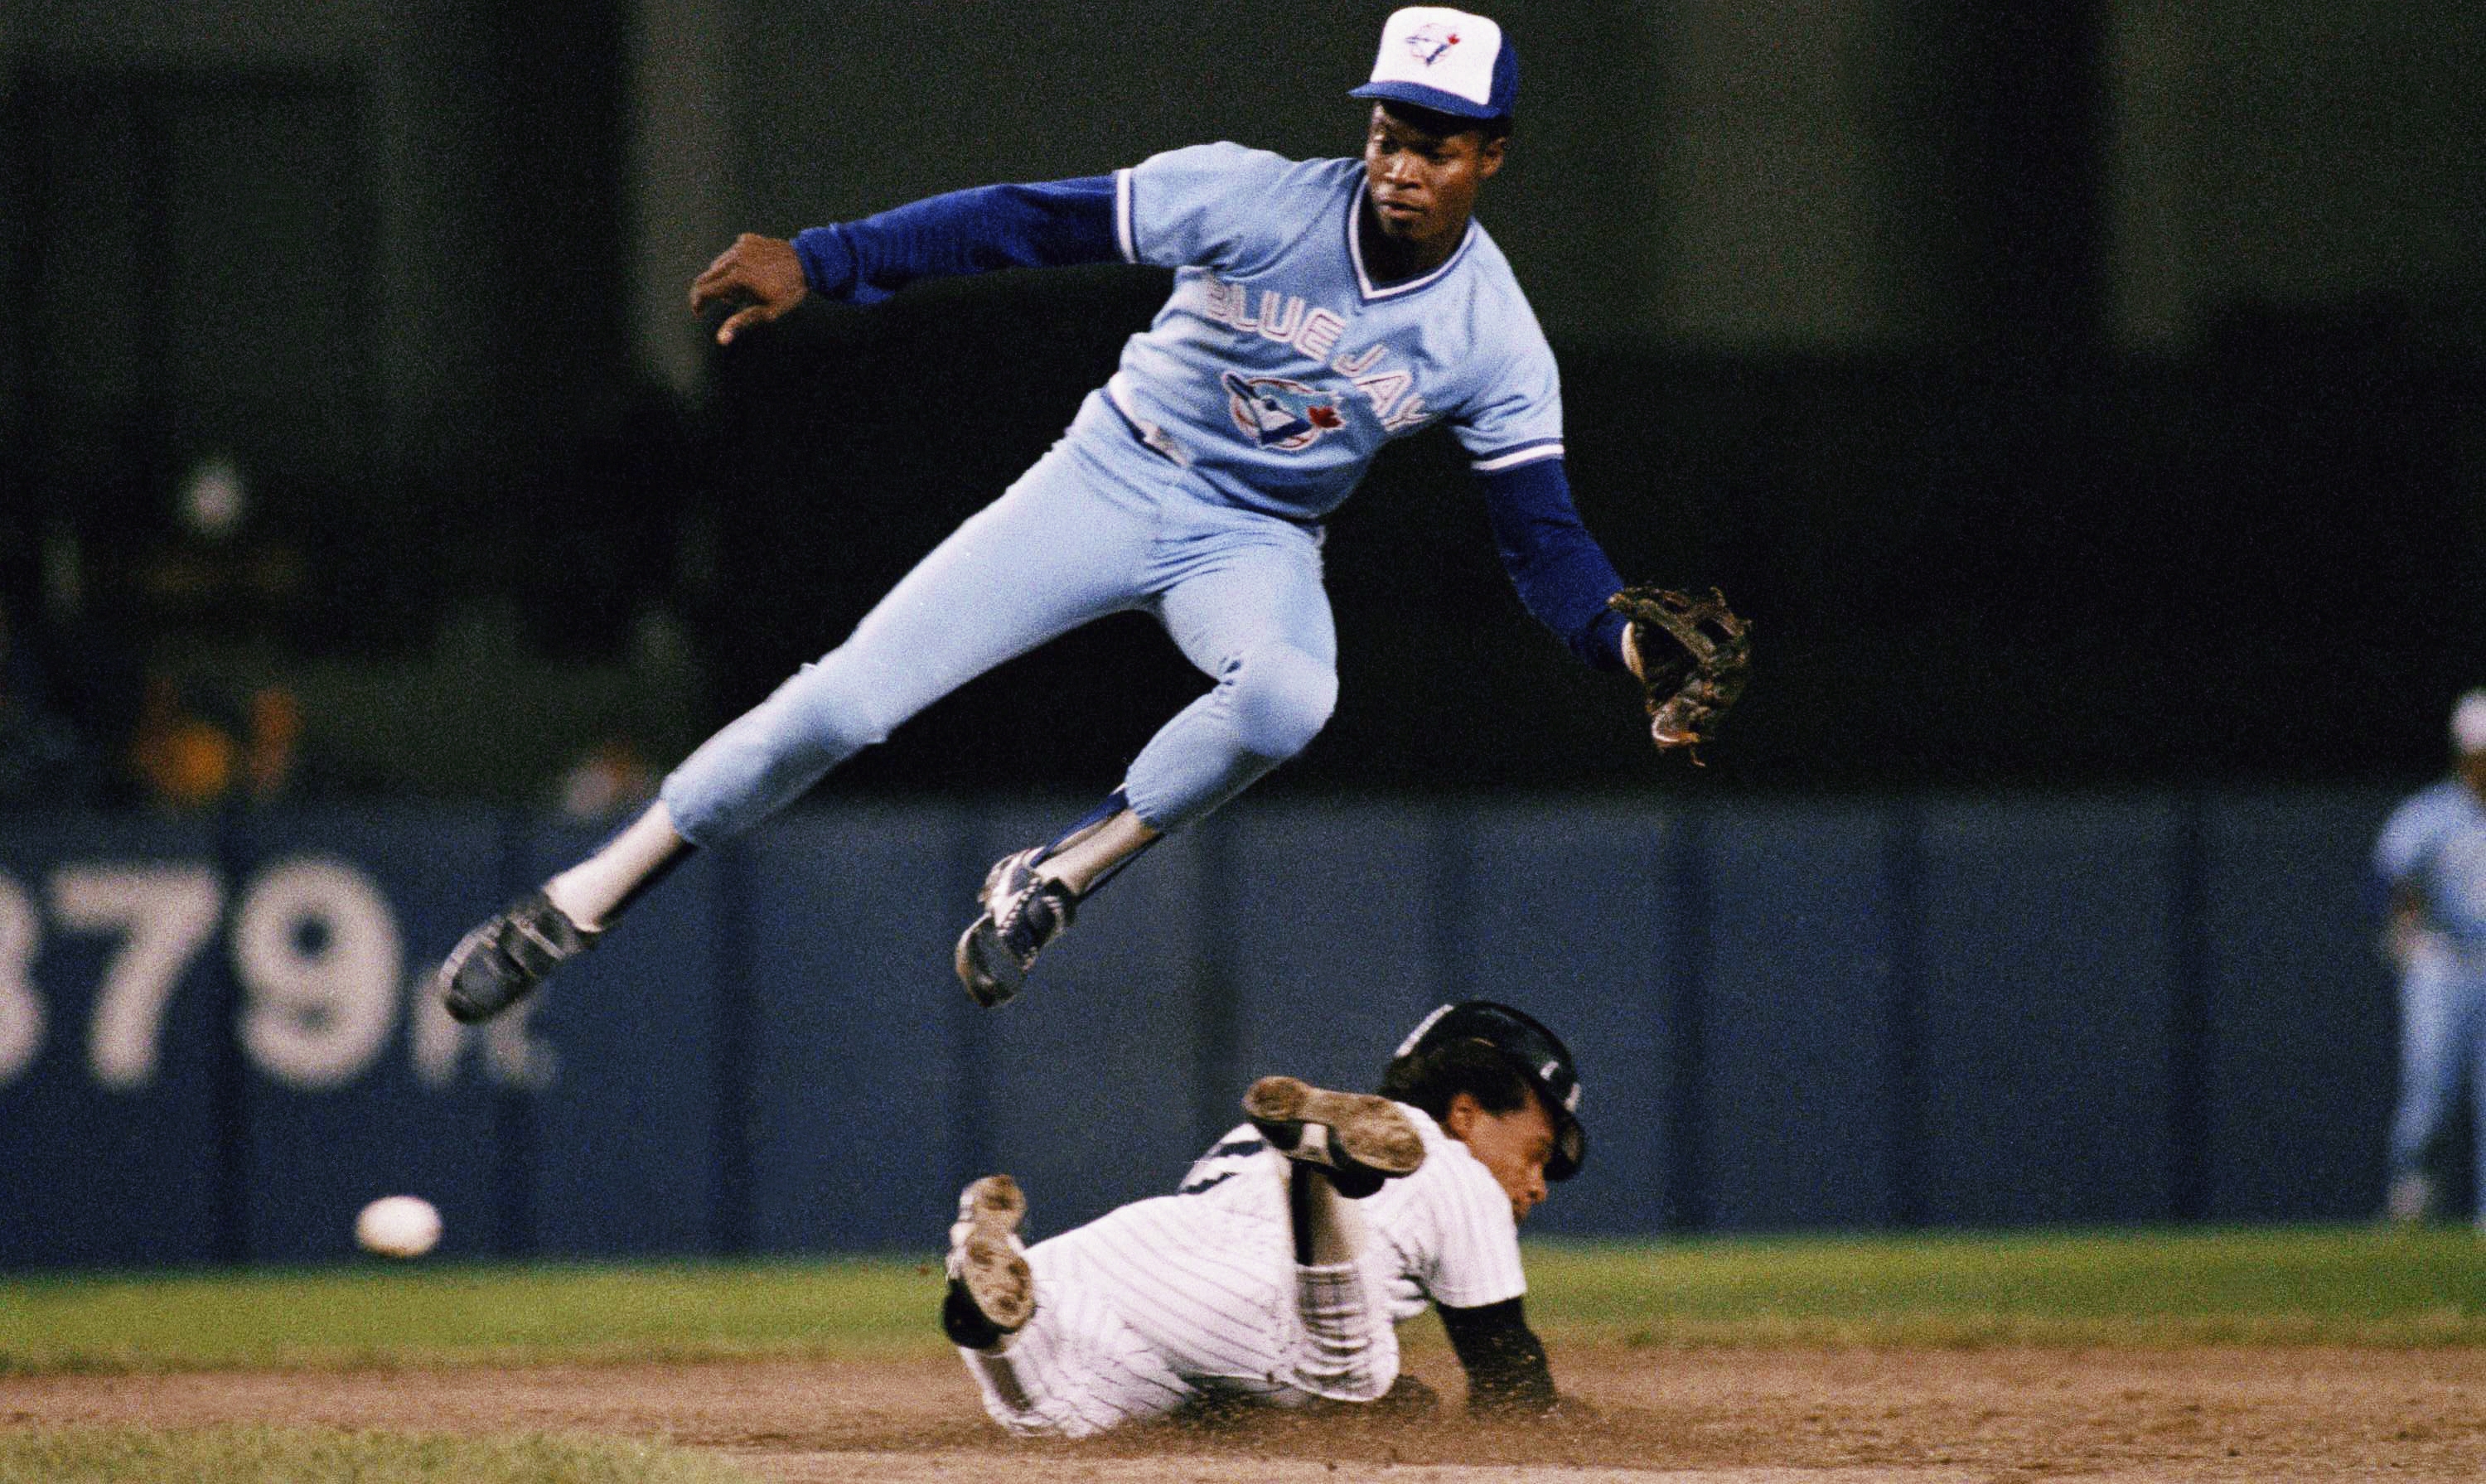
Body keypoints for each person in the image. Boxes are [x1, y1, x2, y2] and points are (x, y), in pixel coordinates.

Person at [436, 7, 1661, 1024]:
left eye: (1439, 146)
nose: (1402, 165)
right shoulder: (1252, 196)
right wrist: (825, 258)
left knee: (1294, 694)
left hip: (1254, 538)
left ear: (1492, 155)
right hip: (1111, 474)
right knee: (847, 699)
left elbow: (1541, 538)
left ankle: (1056, 877)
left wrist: (1623, 639)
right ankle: (578, 899)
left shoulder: (1492, 336)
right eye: (1393, 132)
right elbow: (1030, 218)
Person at [941, 1000, 1587, 1436]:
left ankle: (986, 1290)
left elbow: (1210, 1351)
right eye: (1536, 1151)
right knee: (1351, 1379)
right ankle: (1314, 1168)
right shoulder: (1450, 1164)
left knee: (1062, 1417)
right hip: (1267, 1290)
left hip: (1120, 1253)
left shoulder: (1237, 1141)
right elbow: (1511, 1387)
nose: (1538, 1184)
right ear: (1467, 1112)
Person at [2372, 689, 2486, 1225]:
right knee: (2430, 1094)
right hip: (2444, 962)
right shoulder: (2431, 813)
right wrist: (2404, 927)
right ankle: (2413, 1201)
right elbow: (2392, 874)